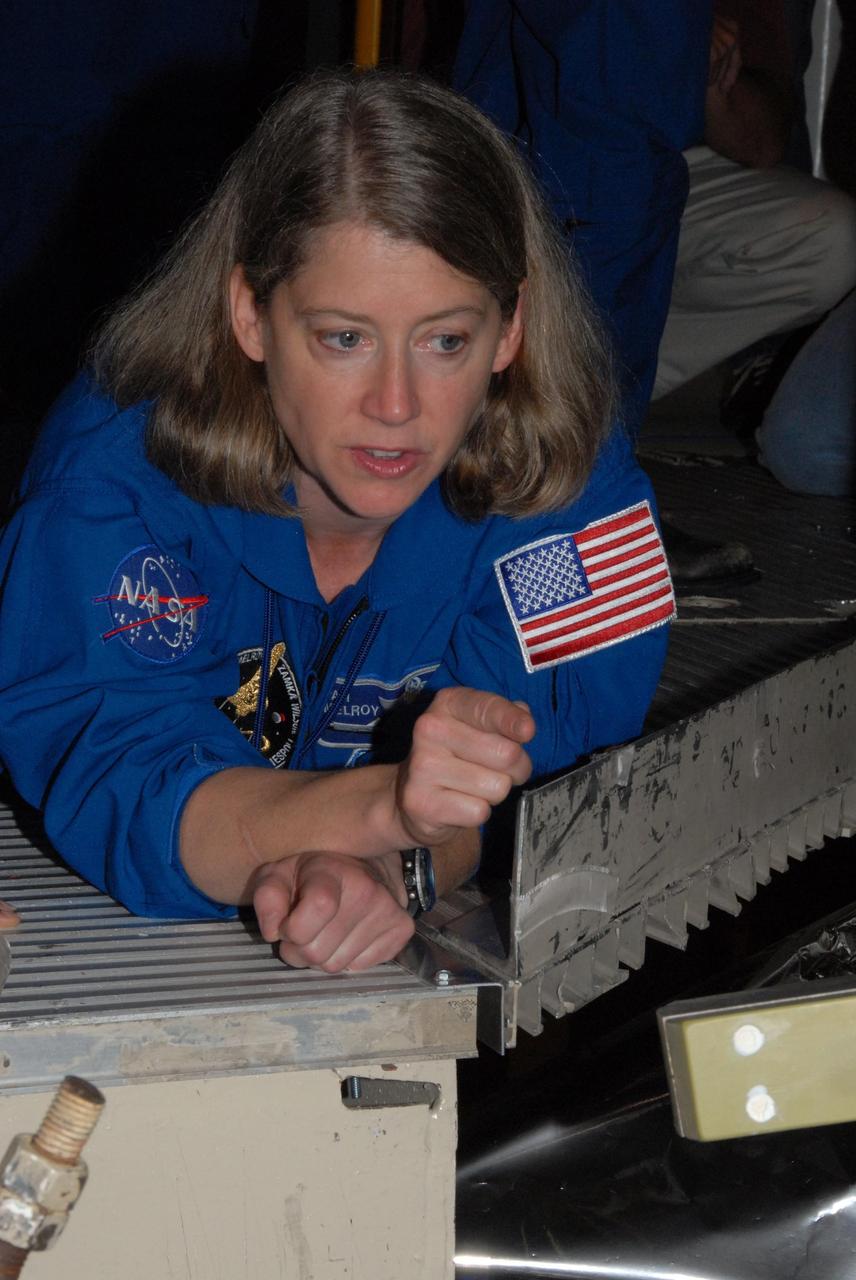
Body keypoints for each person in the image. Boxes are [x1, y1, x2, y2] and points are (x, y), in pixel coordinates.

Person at [0, 70, 674, 972]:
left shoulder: (568, 492)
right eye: (343, 338)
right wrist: (387, 813)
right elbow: (127, 782)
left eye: (446, 340)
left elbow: (548, 799)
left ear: (509, 329)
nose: (395, 405)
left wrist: (394, 869)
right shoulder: (117, 476)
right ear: (250, 315)